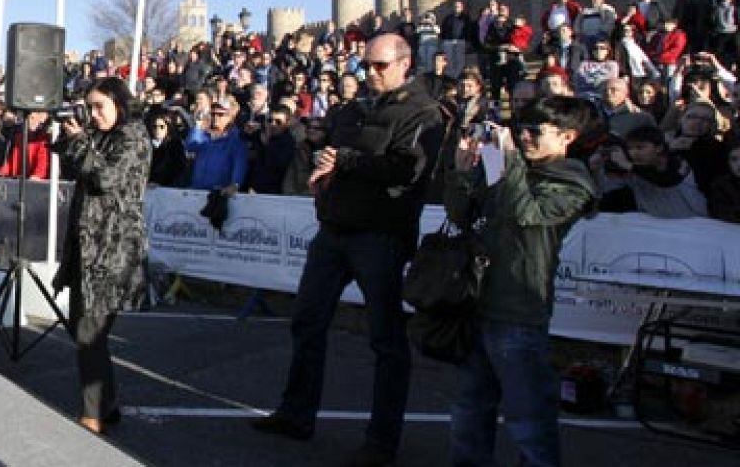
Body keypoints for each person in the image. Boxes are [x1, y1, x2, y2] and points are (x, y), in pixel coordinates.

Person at [253, 34, 443, 467]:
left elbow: (408, 171)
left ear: (404, 64)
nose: (371, 73)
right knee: (307, 320)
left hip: (381, 235)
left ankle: (382, 440)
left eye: (380, 66)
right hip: (335, 228)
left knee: (386, 340)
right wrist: (324, 169)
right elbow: (331, 152)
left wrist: (347, 162)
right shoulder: (352, 110)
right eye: (367, 65)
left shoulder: (423, 113)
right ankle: (296, 413)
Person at [445, 96, 599, 467]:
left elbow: (525, 214)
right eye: (521, 130)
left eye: (535, 131)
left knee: (528, 416)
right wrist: (462, 172)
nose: (525, 137)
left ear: (567, 137)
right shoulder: (509, 165)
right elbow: (462, 215)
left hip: (519, 310)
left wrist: (508, 158)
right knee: (469, 407)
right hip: (478, 301)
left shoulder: (572, 181)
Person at [52, 77, 149, 436]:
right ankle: (106, 405)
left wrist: (80, 140)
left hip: (114, 248)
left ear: (119, 103)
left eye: (99, 107)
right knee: (84, 328)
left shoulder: (133, 136)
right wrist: (68, 134)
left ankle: (92, 415)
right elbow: (70, 165)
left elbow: (105, 179)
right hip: (88, 246)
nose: (93, 114)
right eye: (89, 107)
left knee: (89, 331)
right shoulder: (100, 135)